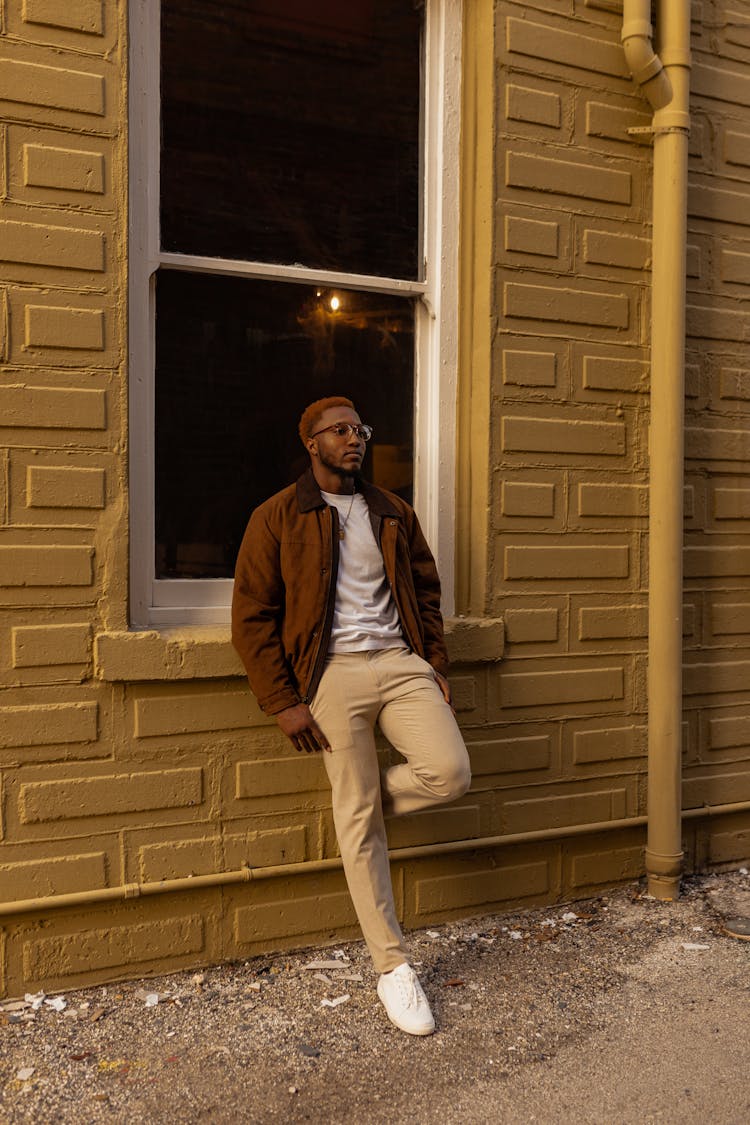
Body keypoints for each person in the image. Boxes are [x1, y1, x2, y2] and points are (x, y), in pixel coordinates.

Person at [231, 395, 471, 1035]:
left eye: (359, 428)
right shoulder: (277, 516)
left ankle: (356, 808)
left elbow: (425, 590)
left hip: (400, 663)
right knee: (359, 817)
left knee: (449, 774)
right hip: (330, 674)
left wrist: (436, 665)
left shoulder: (392, 512)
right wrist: (283, 701)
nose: (354, 438)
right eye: (339, 430)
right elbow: (252, 616)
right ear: (311, 442)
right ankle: (393, 966)